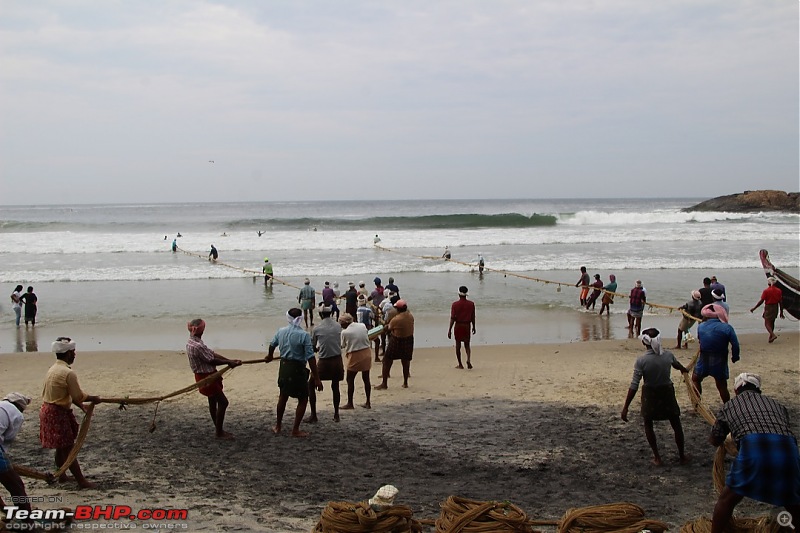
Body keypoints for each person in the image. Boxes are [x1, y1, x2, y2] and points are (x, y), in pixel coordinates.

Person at [708, 373, 800, 533]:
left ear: (736, 391)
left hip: (754, 448)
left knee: (727, 500)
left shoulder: (729, 405)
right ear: (758, 390)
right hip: (788, 450)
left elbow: (715, 439)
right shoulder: (778, 405)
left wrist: (731, 439)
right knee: (794, 502)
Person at [621, 328, 690, 466]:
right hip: (667, 392)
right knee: (676, 423)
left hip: (650, 394)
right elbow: (677, 366)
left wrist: (626, 407)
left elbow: (634, 385)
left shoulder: (641, 360)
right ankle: (682, 456)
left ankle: (657, 457)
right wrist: (685, 370)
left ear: (644, 343)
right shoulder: (668, 355)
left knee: (648, 423)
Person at [40, 337, 100, 488]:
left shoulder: (53, 369)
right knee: (68, 448)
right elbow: (78, 395)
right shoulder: (67, 373)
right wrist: (93, 398)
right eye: (73, 352)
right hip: (57, 413)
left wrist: (82, 407)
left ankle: (62, 476)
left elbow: (67, 394)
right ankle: (81, 481)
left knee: (61, 446)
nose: (75, 355)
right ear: (67, 354)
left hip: (49, 409)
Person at [265, 308, 322, 438]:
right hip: (297, 369)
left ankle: (278, 426)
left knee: (283, 396)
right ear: (301, 319)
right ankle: (295, 429)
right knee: (302, 399)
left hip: (284, 367)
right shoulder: (304, 335)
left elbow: (272, 344)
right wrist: (317, 377)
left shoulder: (281, 331)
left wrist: (269, 356)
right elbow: (310, 357)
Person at [186, 319, 242, 439]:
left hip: (205, 376)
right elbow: (211, 359)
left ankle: (218, 428)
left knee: (212, 401)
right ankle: (219, 432)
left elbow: (211, 354)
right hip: (207, 377)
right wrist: (229, 362)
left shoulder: (191, 342)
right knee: (223, 402)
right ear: (202, 330)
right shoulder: (198, 345)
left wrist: (229, 361)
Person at [693, 304, 739, 404]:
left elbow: (701, 341)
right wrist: (735, 356)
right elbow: (735, 344)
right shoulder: (727, 328)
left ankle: (697, 404)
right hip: (720, 358)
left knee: (695, 379)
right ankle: (727, 405)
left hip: (704, 357)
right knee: (721, 385)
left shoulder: (701, 326)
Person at [307, 305, 343, 423]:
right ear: (331, 314)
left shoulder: (317, 329)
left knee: (311, 384)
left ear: (321, 315)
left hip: (324, 361)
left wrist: (317, 348)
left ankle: (313, 415)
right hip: (337, 360)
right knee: (335, 385)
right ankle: (336, 414)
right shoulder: (338, 326)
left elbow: (312, 347)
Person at [0, 392, 32, 514]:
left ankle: (6, 510)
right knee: (17, 487)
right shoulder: (17, 414)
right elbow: (7, 439)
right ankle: (28, 523)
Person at [375, 299, 414, 390]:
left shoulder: (396, 319)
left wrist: (383, 327)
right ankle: (405, 382)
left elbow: (388, 329)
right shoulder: (410, 316)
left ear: (397, 309)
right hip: (408, 340)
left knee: (387, 360)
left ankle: (384, 383)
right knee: (405, 361)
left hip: (397, 340)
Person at [339, 314, 372, 410]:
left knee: (350, 379)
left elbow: (342, 345)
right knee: (366, 379)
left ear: (345, 323)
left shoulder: (345, 332)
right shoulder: (362, 325)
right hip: (366, 352)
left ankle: (350, 403)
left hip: (355, 355)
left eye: (341, 323)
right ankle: (368, 402)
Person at [448, 286, 476, 369]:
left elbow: (453, 318)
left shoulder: (455, 305)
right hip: (467, 325)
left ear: (459, 295)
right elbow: (473, 317)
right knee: (467, 345)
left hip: (458, 326)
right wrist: (474, 326)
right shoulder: (471, 304)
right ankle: (468, 359)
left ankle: (460, 364)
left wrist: (449, 329)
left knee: (458, 345)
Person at [749, 277, 784, 343]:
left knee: (767, 323)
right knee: (772, 322)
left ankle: (772, 335)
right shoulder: (779, 290)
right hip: (775, 307)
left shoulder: (766, 291)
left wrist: (754, 308)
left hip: (769, 307)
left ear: (768, 283)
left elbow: (761, 301)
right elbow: (780, 302)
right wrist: (781, 312)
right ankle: (771, 337)